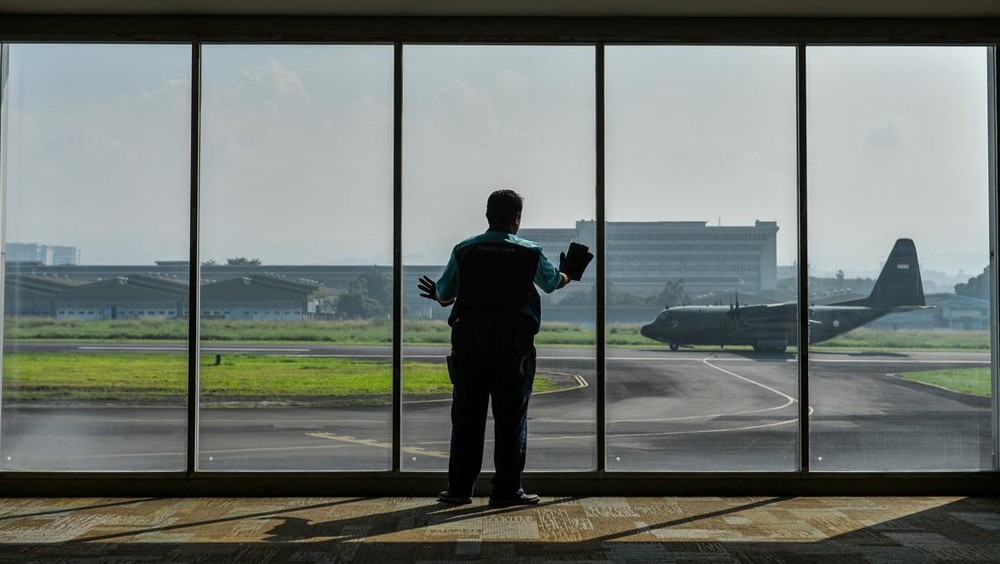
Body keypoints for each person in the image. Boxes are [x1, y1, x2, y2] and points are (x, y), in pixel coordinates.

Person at [417, 189, 574, 507]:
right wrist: (569, 273)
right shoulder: (530, 251)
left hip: (469, 346)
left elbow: (445, 294)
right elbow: (551, 283)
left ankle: (459, 489)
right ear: (517, 219)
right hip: (513, 348)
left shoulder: (465, 249)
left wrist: (438, 295)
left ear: (487, 215)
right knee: (511, 419)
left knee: (467, 417)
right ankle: (506, 490)